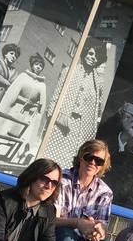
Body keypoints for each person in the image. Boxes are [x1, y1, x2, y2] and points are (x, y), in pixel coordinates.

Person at [43, 37, 108, 169]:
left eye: (96, 56)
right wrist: (51, 117)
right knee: (50, 156)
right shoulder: (69, 71)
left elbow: (96, 109)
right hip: (61, 122)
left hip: (80, 128)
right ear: (85, 52)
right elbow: (56, 95)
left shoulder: (98, 83)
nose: (93, 58)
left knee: (70, 159)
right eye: (91, 53)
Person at [0, 53, 47, 163]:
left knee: (19, 137)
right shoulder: (23, 76)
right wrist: (21, 101)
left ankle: (11, 158)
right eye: (36, 64)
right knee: (5, 131)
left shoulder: (42, 84)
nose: (38, 67)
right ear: (32, 65)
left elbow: (42, 104)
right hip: (14, 109)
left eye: (41, 66)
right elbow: (12, 94)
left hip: (28, 114)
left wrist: (35, 108)